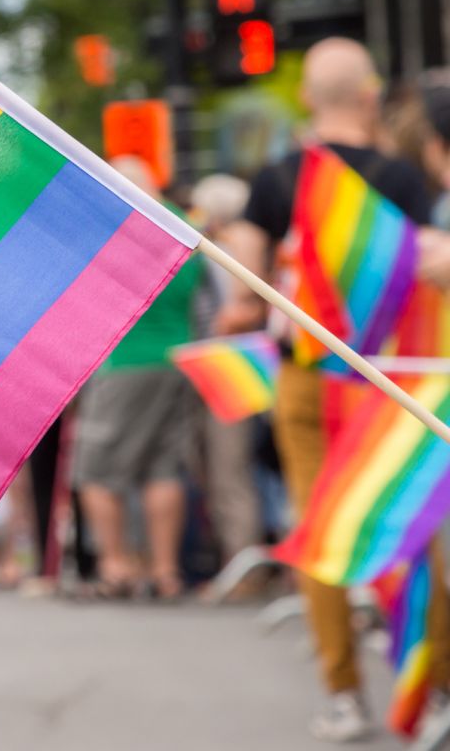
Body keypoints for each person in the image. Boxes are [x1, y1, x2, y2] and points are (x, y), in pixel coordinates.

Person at [219, 37, 450, 741]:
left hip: (308, 380)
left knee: (318, 532)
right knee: (410, 525)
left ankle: (345, 694)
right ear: (370, 96)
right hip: (391, 381)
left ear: (308, 100)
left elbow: (245, 294)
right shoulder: (405, 181)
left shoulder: (276, 180)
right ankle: (430, 688)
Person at [71, 157, 204, 601]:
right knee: (163, 467)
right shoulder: (183, 227)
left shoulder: (121, 230)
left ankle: (117, 565)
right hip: (175, 358)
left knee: (94, 468)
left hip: (124, 361)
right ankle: (165, 571)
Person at [188, 174, 267, 579]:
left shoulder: (234, 245)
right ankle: (237, 566)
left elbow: (243, 309)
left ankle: (243, 570)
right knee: (226, 469)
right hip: (226, 364)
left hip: (227, 365)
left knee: (229, 469)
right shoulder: (238, 243)